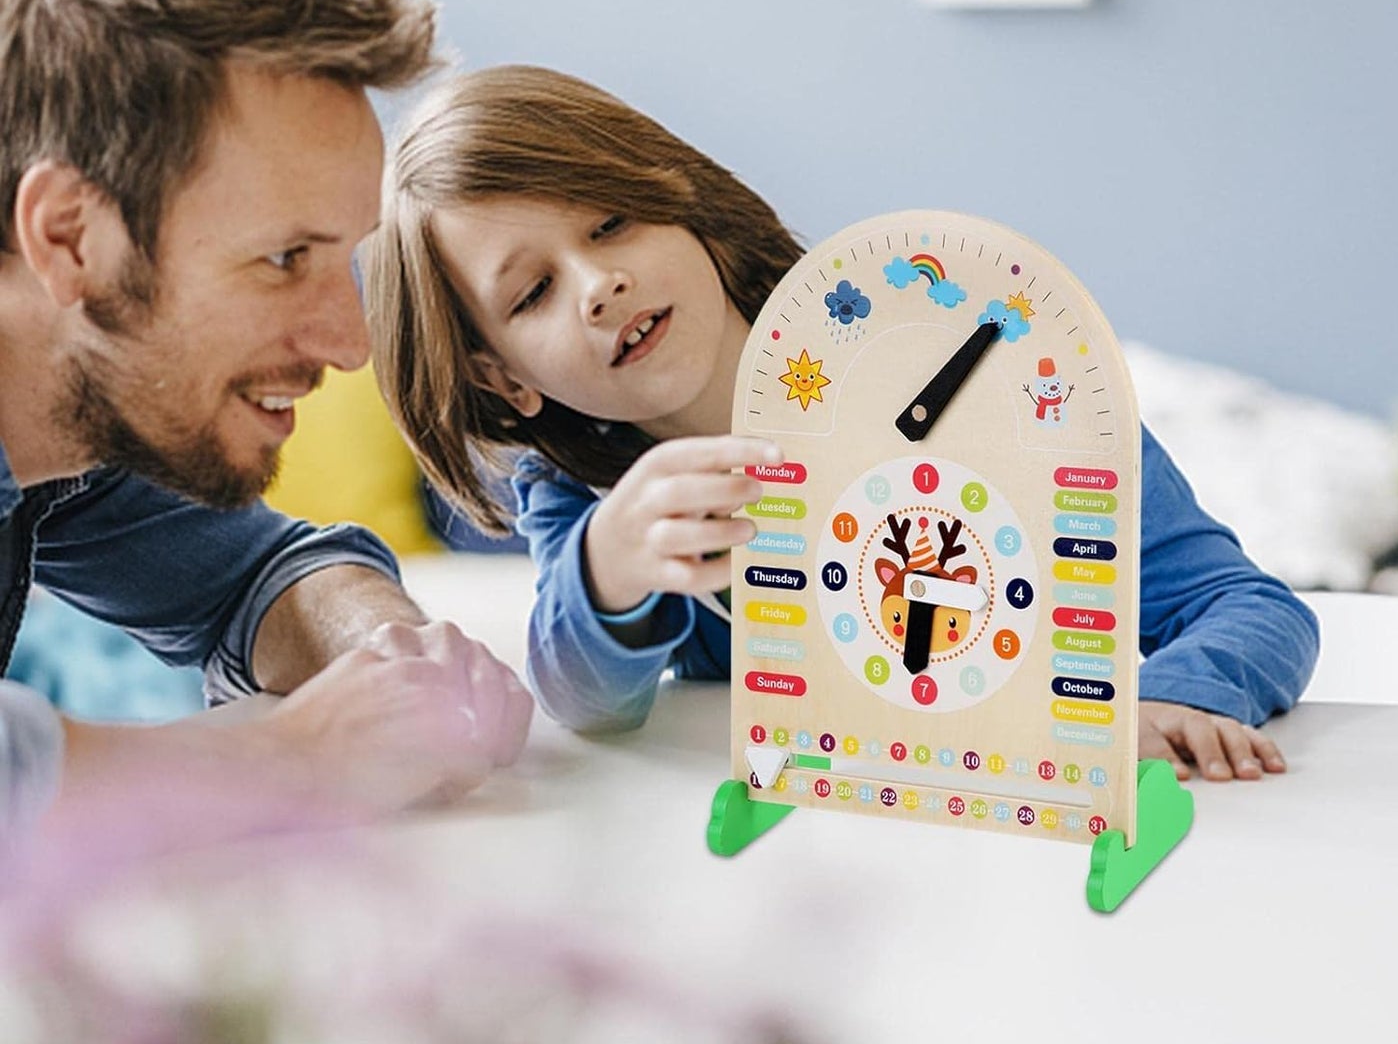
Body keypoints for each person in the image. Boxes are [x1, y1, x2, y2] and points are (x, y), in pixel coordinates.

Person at [366, 65, 1319, 782]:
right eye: (532, 290)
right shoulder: (580, 492)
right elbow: (587, 701)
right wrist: (607, 567)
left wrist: (1164, 699)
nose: (597, 283)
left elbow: (1250, 607)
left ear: (681, 203)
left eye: (613, 223)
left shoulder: (977, 373)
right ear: (503, 378)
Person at [0, 0, 532, 847]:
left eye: (345, 259)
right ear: (70, 236)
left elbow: (254, 572)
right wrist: (294, 751)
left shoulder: (72, 427)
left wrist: (390, 658)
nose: (348, 343)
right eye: (285, 257)